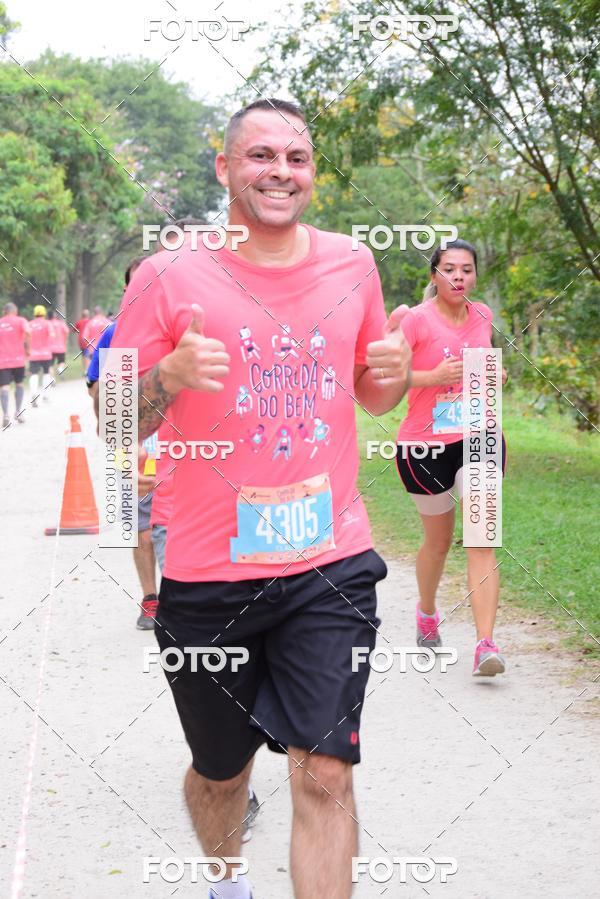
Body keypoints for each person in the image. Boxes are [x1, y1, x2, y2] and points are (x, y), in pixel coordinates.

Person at [112, 98, 411, 899]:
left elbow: (372, 392)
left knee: (325, 770)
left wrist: (396, 373)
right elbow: (113, 420)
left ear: (312, 172)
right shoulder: (169, 273)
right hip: (209, 573)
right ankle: (225, 880)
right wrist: (166, 376)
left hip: (330, 561)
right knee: (221, 771)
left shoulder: (353, 264)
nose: (281, 171)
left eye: (297, 158)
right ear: (225, 168)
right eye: (261, 155)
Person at [395, 239, 507, 676]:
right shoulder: (415, 321)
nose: (458, 276)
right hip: (425, 446)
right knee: (438, 542)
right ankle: (426, 612)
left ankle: (486, 645)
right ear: (435, 275)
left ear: (475, 275)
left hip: (480, 434)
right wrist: (433, 376)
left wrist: (496, 373)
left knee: (482, 538)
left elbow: (484, 366)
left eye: (466, 269)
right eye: (449, 269)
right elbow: (385, 377)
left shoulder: (483, 315)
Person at [86, 258, 159, 630]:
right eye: (135, 286)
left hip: (187, 445)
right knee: (139, 521)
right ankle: (151, 598)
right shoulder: (116, 335)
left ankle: (189, 597)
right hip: (134, 443)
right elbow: (96, 391)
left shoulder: (186, 328)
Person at [0, 302, 29, 427]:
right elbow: (28, 332)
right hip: (18, 359)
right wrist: (28, 348)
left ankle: (6, 415)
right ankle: (18, 412)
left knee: (4, 387)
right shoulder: (21, 320)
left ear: (4, 311)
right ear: (15, 311)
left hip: (3, 361)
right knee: (19, 384)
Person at [28, 305, 53, 406]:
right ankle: (46, 396)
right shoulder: (47, 323)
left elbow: (26, 337)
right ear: (44, 313)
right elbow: (52, 335)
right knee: (46, 374)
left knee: (34, 374)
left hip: (33, 354)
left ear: (34, 313)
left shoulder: (29, 324)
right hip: (46, 353)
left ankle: (34, 394)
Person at [48, 310, 70, 378]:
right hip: (61, 347)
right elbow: (67, 331)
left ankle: (52, 379)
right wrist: (65, 340)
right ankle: (60, 369)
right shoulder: (61, 323)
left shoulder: (48, 323)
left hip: (50, 348)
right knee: (62, 361)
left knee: (50, 365)